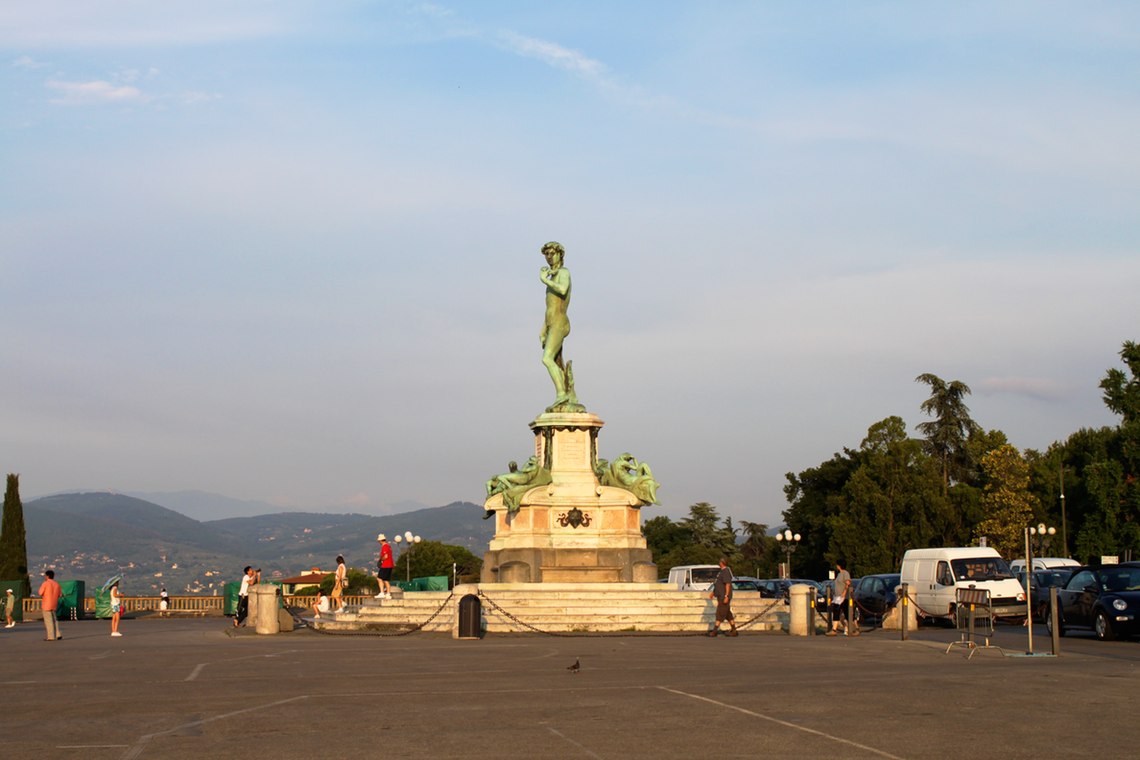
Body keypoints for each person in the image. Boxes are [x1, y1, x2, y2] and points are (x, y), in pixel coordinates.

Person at [538, 241, 576, 411]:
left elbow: (562, 289)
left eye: (552, 253)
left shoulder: (563, 273)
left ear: (560, 254)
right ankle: (567, 394)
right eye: (547, 254)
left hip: (560, 322)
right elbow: (550, 308)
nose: (549, 257)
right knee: (555, 361)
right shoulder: (554, 275)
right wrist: (543, 328)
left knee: (547, 359)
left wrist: (545, 280)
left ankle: (562, 394)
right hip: (552, 323)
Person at [707, 558, 738, 637]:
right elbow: (718, 584)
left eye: (720, 561)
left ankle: (714, 631)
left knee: (720, 613)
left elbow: (727, 584)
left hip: (723, 596)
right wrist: (713, 592)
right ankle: (734, 630)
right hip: (720, 595)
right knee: (728, 614)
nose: (719, 562)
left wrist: (726, 596)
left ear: (722, 563)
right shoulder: (721, 572)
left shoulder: (726, 571)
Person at [827, 559, 852, 636]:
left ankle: (836, 629)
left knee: (842, 612)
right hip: (837, 597)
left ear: (840, 565)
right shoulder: (839, 574)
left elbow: (848, 583)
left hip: (843, 597)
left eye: (837, 565)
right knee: (838, 612)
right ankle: (843, 628)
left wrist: (844, 592)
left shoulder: (845, 573)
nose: (836, 566)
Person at [38, 570, 62, 641]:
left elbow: (40, 592)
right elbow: (60, 594)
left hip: (46, 604)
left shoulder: (45, 583)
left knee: (48, 621)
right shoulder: (57, 584)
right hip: (54, 604)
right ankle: (58, 634)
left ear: (47, 576)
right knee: (55, 620)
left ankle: (51, 636)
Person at [376, 535, 394, 600]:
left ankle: (382, 592)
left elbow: (385, 556)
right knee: (386, 580)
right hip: (390, 565)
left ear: (381, 540)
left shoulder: (385, 546)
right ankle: (388, 594)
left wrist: (381, 560)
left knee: (379, 578)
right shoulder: (389, 546)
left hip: (385, 565)